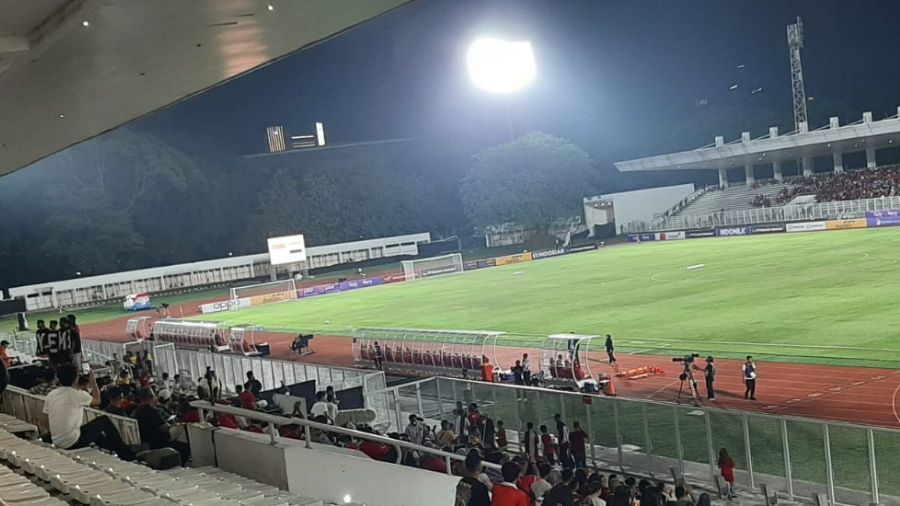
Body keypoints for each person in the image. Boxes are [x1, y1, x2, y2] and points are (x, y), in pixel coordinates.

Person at [43, 364, 134, 460]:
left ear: (58, 378)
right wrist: (93, 381)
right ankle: (124, 454)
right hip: (72, 442)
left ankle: (116, 448)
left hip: (56, 440)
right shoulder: (78, 394)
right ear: (76, 379)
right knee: (103, 420)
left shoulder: (51, 395)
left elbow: (45, 420)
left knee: (96, 434)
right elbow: (97, 400)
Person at [133, 387, 190, 464]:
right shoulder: (151, 411)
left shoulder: (136, 412)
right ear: (151, 397)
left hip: (145, 442)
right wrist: (172, 424)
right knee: (184, 445)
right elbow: (164, 427)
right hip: (158, 443)